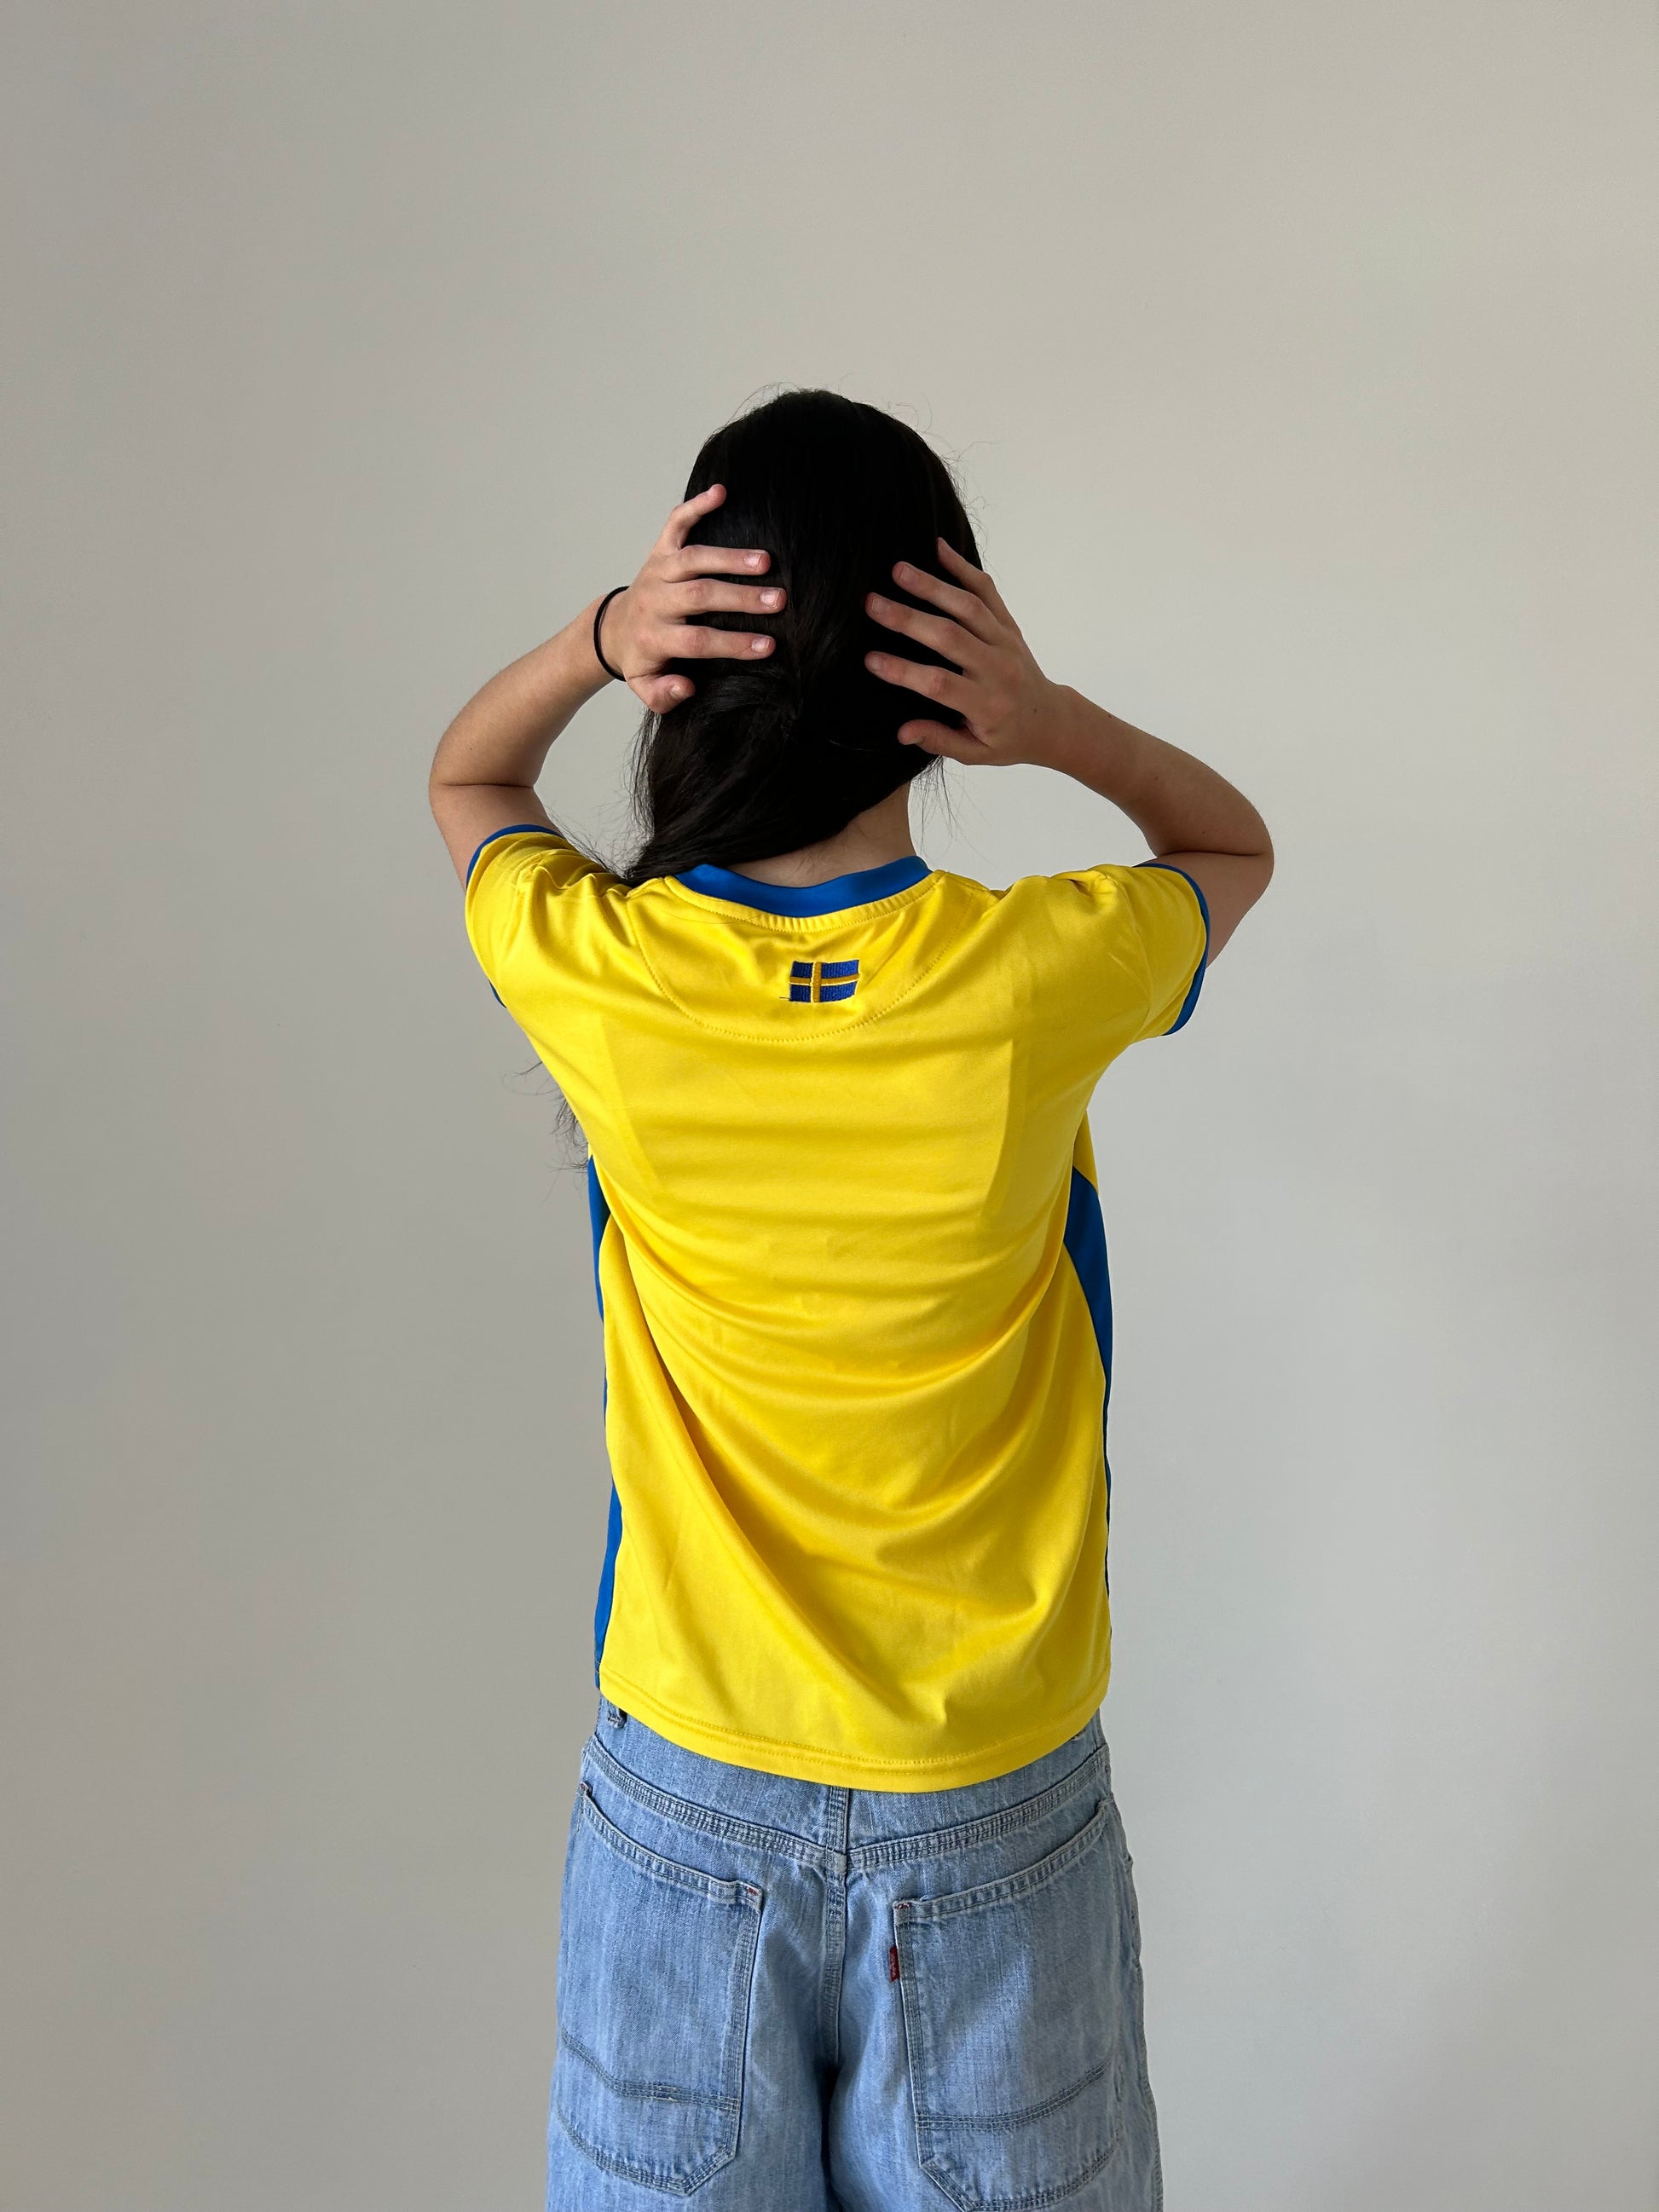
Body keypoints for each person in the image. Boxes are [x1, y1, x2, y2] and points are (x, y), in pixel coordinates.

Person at [429, 389, 1272, 2212]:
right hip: (988, 1792)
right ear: (940, 681)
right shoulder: (1034, 970)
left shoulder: (606, 974)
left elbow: (468, 784)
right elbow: (1228, 849)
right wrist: (1053, 724)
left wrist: (595, 638)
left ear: (686, 679)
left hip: (686, 1790)